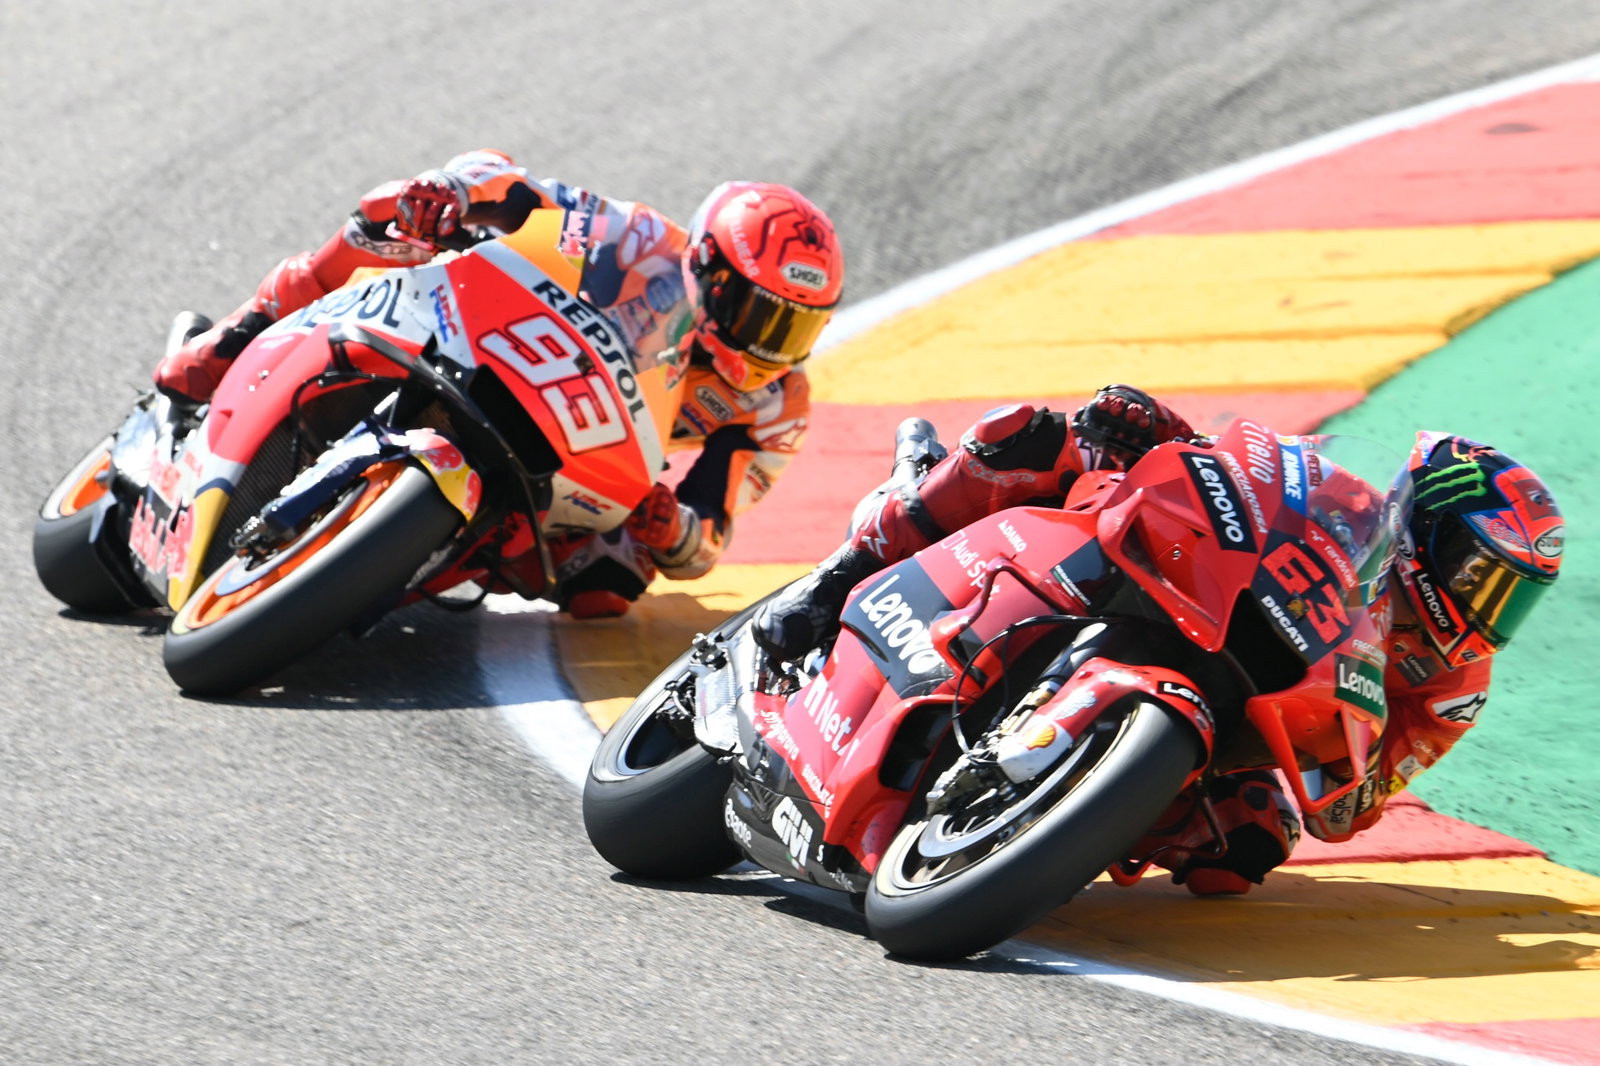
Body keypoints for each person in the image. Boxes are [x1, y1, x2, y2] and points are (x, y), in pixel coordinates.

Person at [755, 385, 1565, 896]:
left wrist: (1340, 763)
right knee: (1038, 438)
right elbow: (1237, 477)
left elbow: (1352, 810)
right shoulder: (1350, 500)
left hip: (1250, 712)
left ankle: (1041, 825)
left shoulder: (1451, 687)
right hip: (1175, 587)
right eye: (1478, 574)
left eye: (1511, 598)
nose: (1486, 609)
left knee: (1246, 846)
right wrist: (1150, 424)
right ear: (1423, 527)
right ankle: (846, 570)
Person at [152, 150, 844, 619]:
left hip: (593, 457)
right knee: (383, 225)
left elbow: (711, 535)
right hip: (501, 352)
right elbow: (520, 189)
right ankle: (228, 342)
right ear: (711, 272)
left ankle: (426, 559)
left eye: (794, 329)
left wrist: (673, 530)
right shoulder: (640, 243)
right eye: (762, 315)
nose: (768, 346)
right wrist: (452, 194)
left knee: (608, 590)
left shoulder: (777, 405)